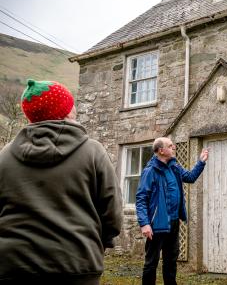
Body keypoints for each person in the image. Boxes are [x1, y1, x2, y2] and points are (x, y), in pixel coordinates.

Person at [0, 79, 122, 285]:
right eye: (70, 103)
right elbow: (112, 213)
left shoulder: (4, 156)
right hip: (77, 264)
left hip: (13, 266)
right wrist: (99, 242)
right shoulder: (93, 151)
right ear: (65, 111)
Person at [136, 137, 209, 285]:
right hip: (157, 223)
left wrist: (201, 162)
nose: (174, 147)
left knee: (171, 260)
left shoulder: (174, 167)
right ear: (161, 151)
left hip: (174, 221)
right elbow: (141, 198)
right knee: (151, 262)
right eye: (170, 146)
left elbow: (190, 177)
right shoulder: (150, 171)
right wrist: (144, 223)